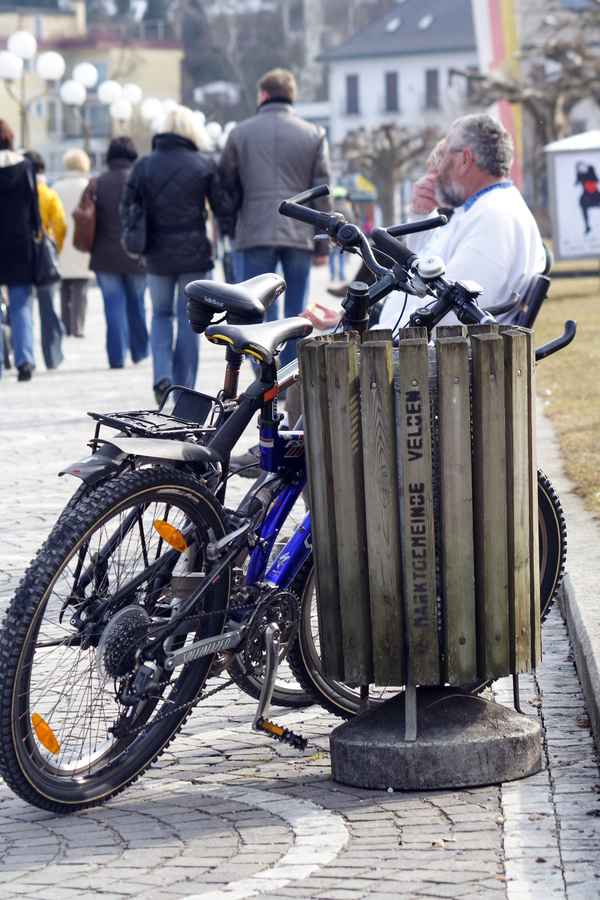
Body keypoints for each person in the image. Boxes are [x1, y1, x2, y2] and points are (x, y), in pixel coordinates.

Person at [375, 114, 547, 330]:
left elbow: (450, 314)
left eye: (445, 154)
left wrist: (374, 335)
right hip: (415, 346)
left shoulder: (493, 217)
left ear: (465, 159)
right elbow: (422, 272)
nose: (437, 169)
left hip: (430, 355)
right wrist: (421, 214)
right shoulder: (480, 209)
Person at [219, 67, 331, 366]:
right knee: (296, 311)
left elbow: (225, 186)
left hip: (253, 231)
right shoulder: (314, 133)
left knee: (255, 308)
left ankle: (264, 373)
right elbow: (321, 190)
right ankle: (291, 377)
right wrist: (323, 240)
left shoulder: (239, 133)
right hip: (299, 232)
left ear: (264, 95)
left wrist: (229, 227)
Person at [122, 105, 234, 403]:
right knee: (189, 321)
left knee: (160, 314)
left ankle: (162, 376)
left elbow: (127, 206)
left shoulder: (144, 165)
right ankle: (183, 389)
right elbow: (223, 207)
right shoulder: (203, 164)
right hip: (194, 253)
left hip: (156, 253)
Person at [88, 136, 149, 369]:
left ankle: (116, 357)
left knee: (113, 307)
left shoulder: (97, 182)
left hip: (104, 256)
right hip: (136, 255)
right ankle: (140, 352)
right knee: (138, 304)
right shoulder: (140, 180)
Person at [0, 120, 38, 382]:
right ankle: (24, 360)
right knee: (20, 303)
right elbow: (34, 207)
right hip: (20, 242)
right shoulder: (25, 166)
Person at [23, 151, 66, 370]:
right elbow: (60, 225)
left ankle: (24, 355)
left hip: (21, 257)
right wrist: (55, 247)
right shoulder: (48, 194)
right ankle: (52, 357)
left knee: (22, 308)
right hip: (44, 258)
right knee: (48, 309)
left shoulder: (17, 190)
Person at [53, 149, 92, 337]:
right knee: (80, 287)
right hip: (82, 241)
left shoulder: (57, 187)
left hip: (61, 242)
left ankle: (65, 325)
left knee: (64, 286)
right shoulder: (87, 185)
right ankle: (78, 326)